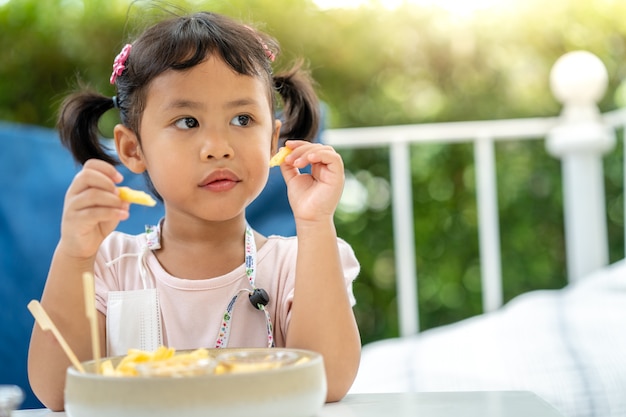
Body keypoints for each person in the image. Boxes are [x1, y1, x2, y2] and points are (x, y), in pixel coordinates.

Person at [27, 11, 361, 411]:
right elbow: (58, 392)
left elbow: (329, 382)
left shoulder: (302, 262)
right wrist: (74, 254)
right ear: (133, 148)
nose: (218, 146)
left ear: (273, 140)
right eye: (188, 121)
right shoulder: (108, 265)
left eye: (242, 119)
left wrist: (315, 222)